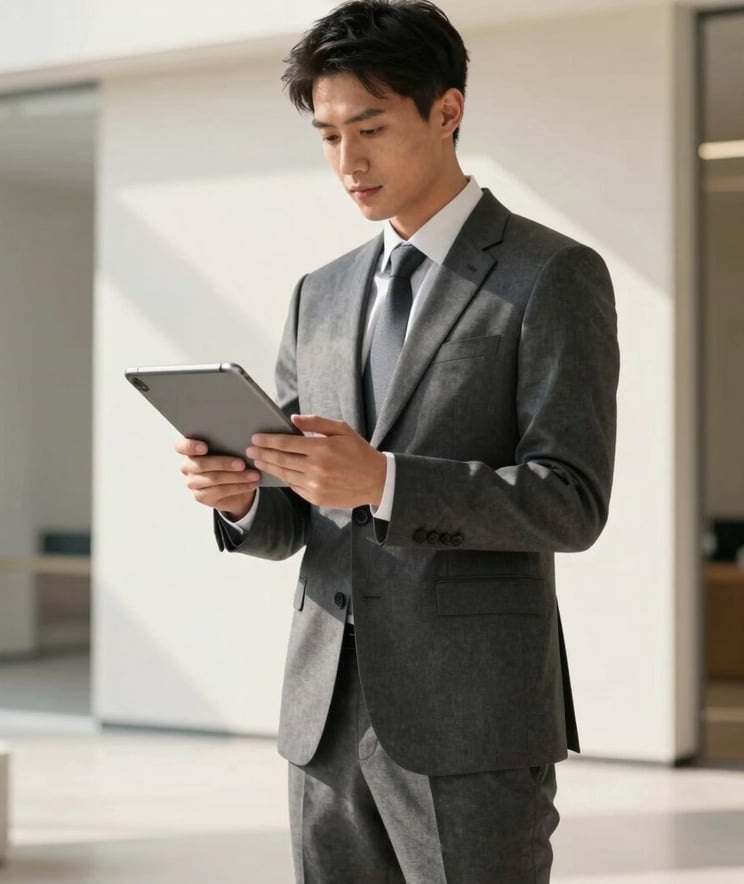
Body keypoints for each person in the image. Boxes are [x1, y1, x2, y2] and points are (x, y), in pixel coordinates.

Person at [176, 1, 619, 881]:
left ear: (447, 111)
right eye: (328, 135)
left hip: (472, 721)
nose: (348, 162)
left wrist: (384, 480)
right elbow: (296, 516)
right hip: (324, 720)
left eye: (370, 129)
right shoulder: (320, 293)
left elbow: (571, 502)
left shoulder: (552, 275)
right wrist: (243, 499)